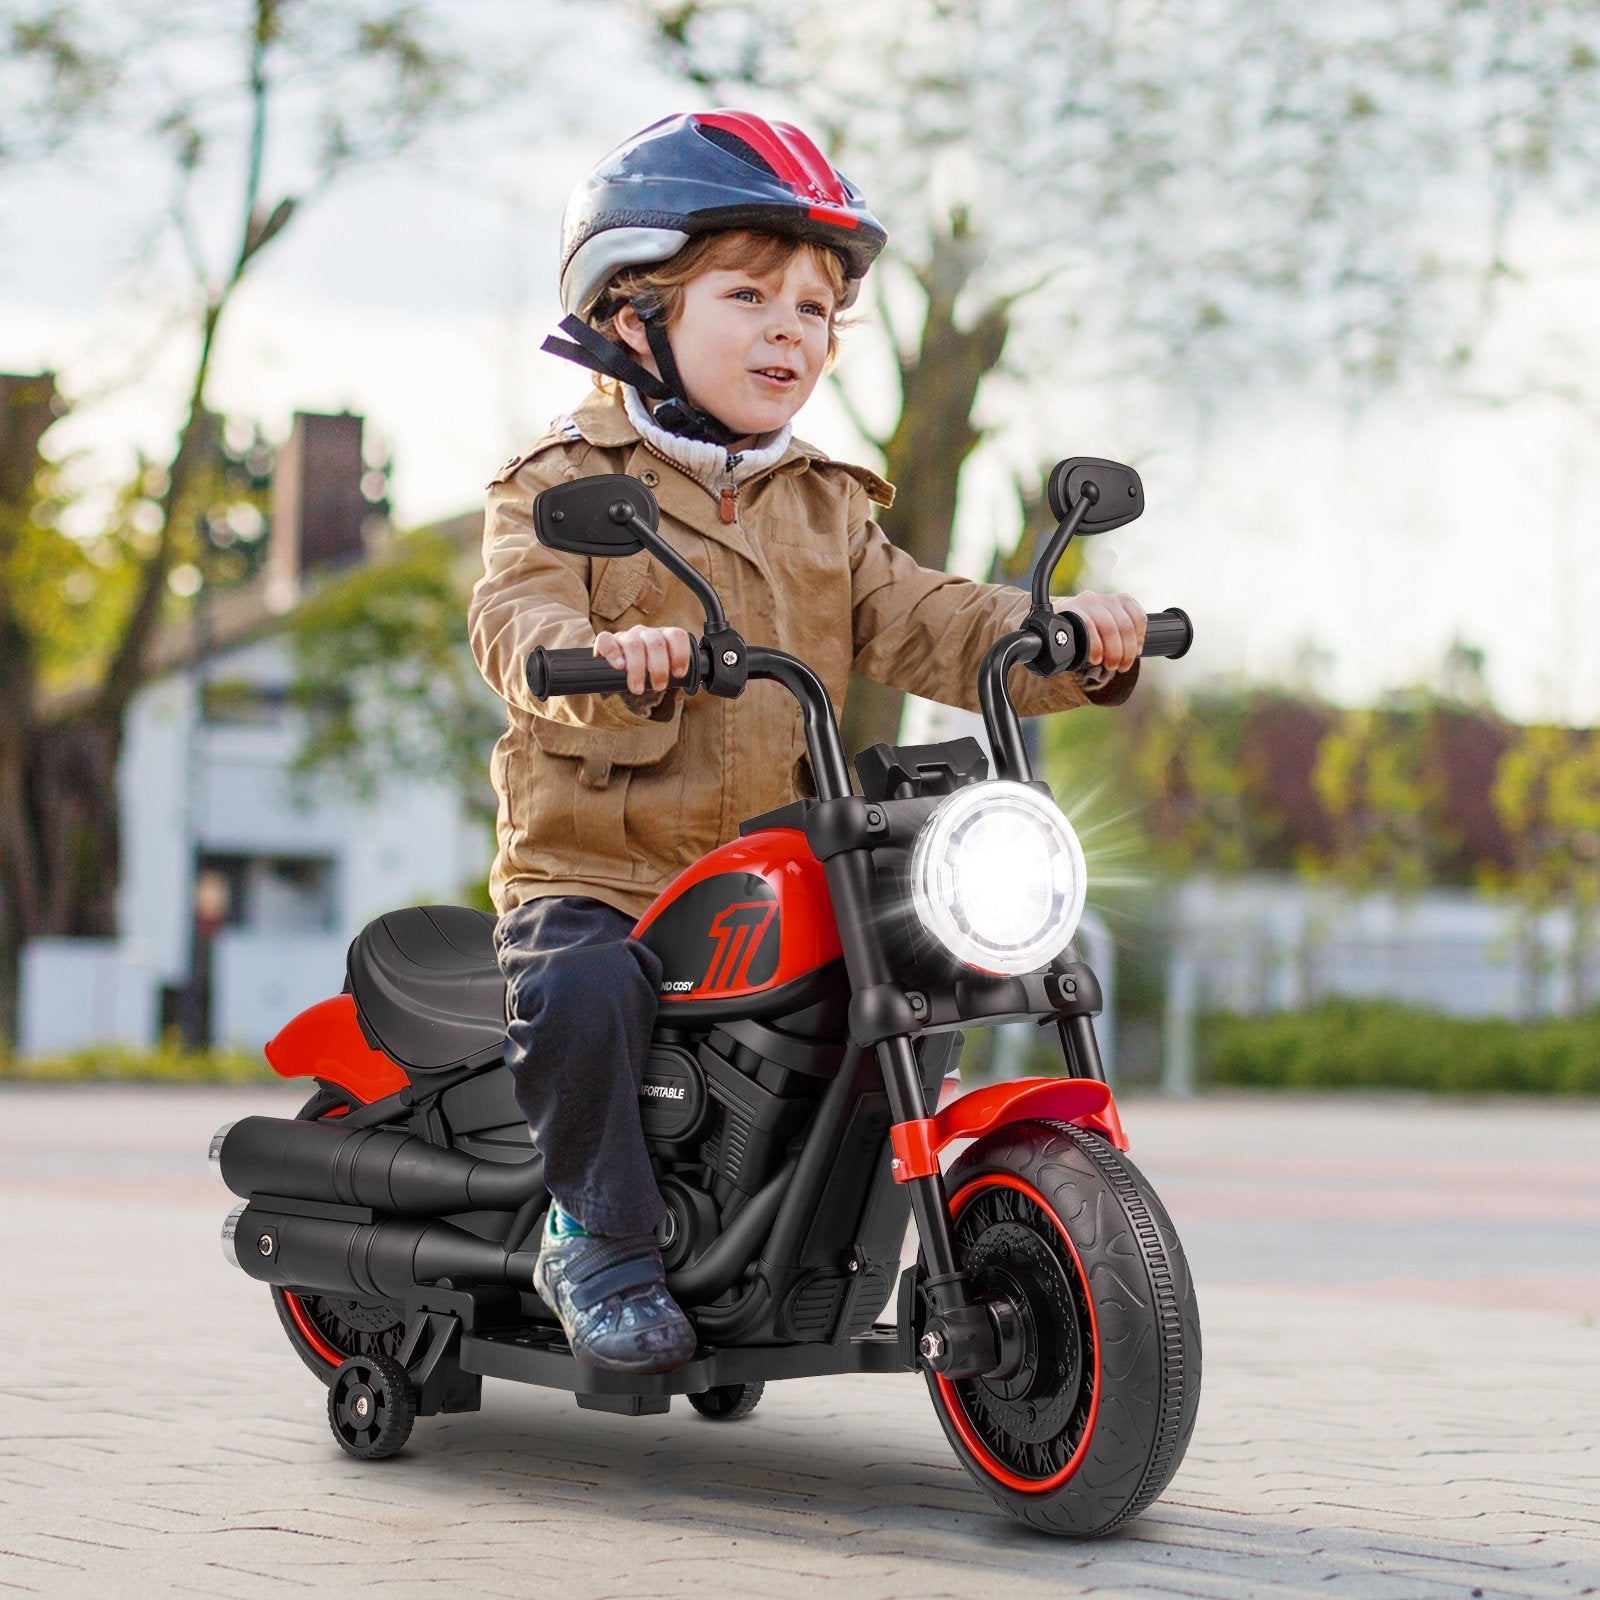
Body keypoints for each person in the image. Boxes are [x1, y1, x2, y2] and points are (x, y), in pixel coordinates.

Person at [468, 109, 1147, 1375]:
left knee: (920, 954)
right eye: (749, 294)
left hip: (780, 867)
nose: (793, 328)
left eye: (819, 308)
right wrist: (598, 654)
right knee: (583, 986)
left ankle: (812, 1238)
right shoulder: (558, 481)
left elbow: (928, 616)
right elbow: (516, 610)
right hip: (605, 875)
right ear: (633, 313)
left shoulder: (824, 502)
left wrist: (1062, 630)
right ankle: (598, 1236)